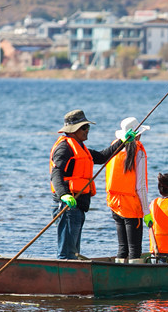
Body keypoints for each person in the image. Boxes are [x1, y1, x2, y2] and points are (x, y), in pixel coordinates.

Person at [50, 110, 132, 260]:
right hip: (67, 206)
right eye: (84, 127)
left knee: (73, 252)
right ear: (74, 129)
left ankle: (71, 280)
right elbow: (56, 174)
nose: (88, 130)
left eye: (88, 127)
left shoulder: (81, 147)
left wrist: (123, 141)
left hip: (78, 206)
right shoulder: (64, 148)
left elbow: (101, 157)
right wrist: (64, 195)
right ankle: (64, 280)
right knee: (67, 253)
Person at [105, 117, 150, 264]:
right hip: (131, 206)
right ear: (138, 134)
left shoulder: (115, 147)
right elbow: (140, 186)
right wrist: (146, 212)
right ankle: (134, 281)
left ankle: (118, 275)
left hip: (115, 203)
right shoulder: (139, 152)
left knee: (122, 248)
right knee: (134, 250)